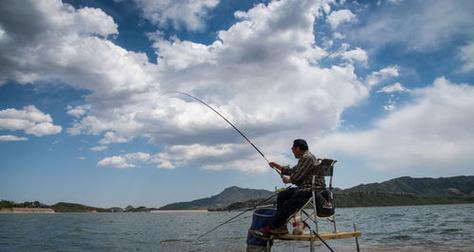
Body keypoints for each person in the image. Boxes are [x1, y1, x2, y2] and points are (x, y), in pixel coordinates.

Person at [258, 139, 325, 236]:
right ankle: (281, 227)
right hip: (305, 188)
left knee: (288, 206)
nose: (292, 150)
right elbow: (292, 170)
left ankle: (272, 227)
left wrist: (288, 180)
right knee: (282, 195)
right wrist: (277, 166)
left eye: (292, 148)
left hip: (311, 189)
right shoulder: (304, 158)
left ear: (297, 148)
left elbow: (297, 177)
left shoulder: (307, 158)